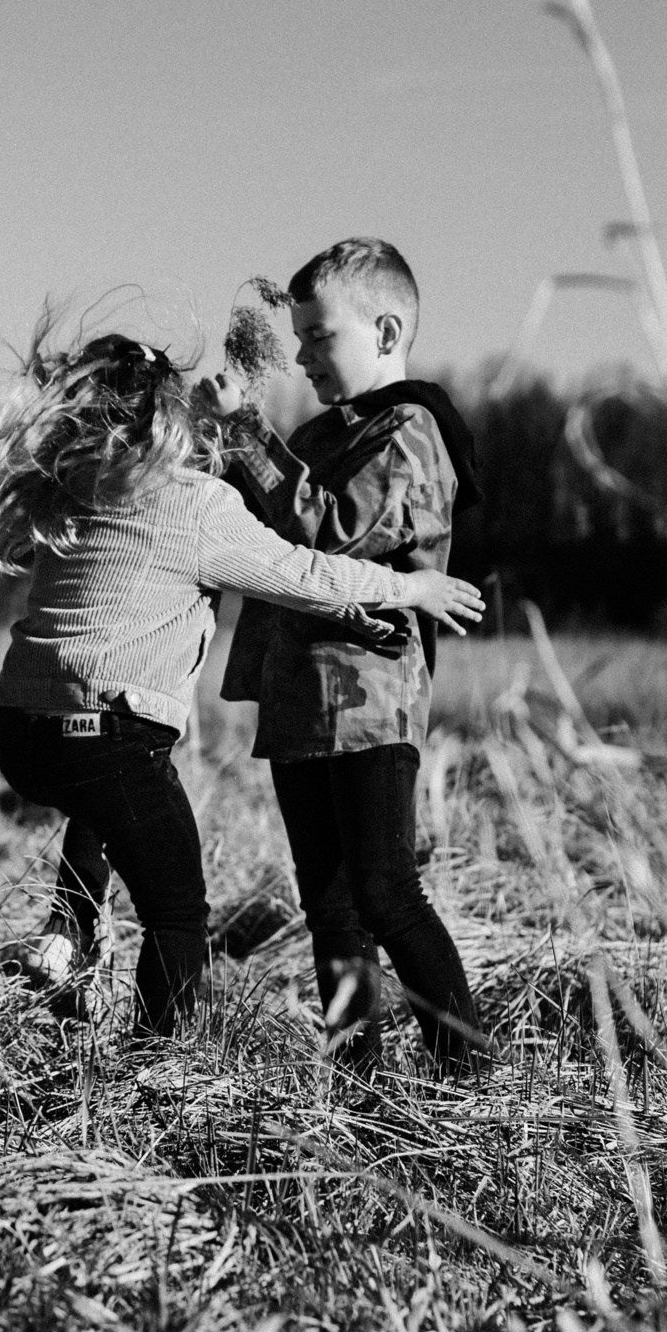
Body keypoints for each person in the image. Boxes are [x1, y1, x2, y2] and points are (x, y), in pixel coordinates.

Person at [0, 309, 485, 1040]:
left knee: (100, 792)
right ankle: (156, 1063)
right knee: (176, 912)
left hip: (18, 733)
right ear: (167, 418)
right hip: (104, 729)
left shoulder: (80, 486)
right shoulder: (193, 505)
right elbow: (302, 570)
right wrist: (408, 590)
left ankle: (71, 926)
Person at [202, 238, 488, 1072]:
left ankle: (467, 1073)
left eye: (318, 336)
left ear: (387, 330)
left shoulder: (411, 431)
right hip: (298, 701)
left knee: (386, 894)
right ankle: (356, 1086)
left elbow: (327, 528)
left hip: (367, 703)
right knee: (330, 909)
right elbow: (263, 531)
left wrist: (249, 434)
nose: (300, 354)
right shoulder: (325, 432)